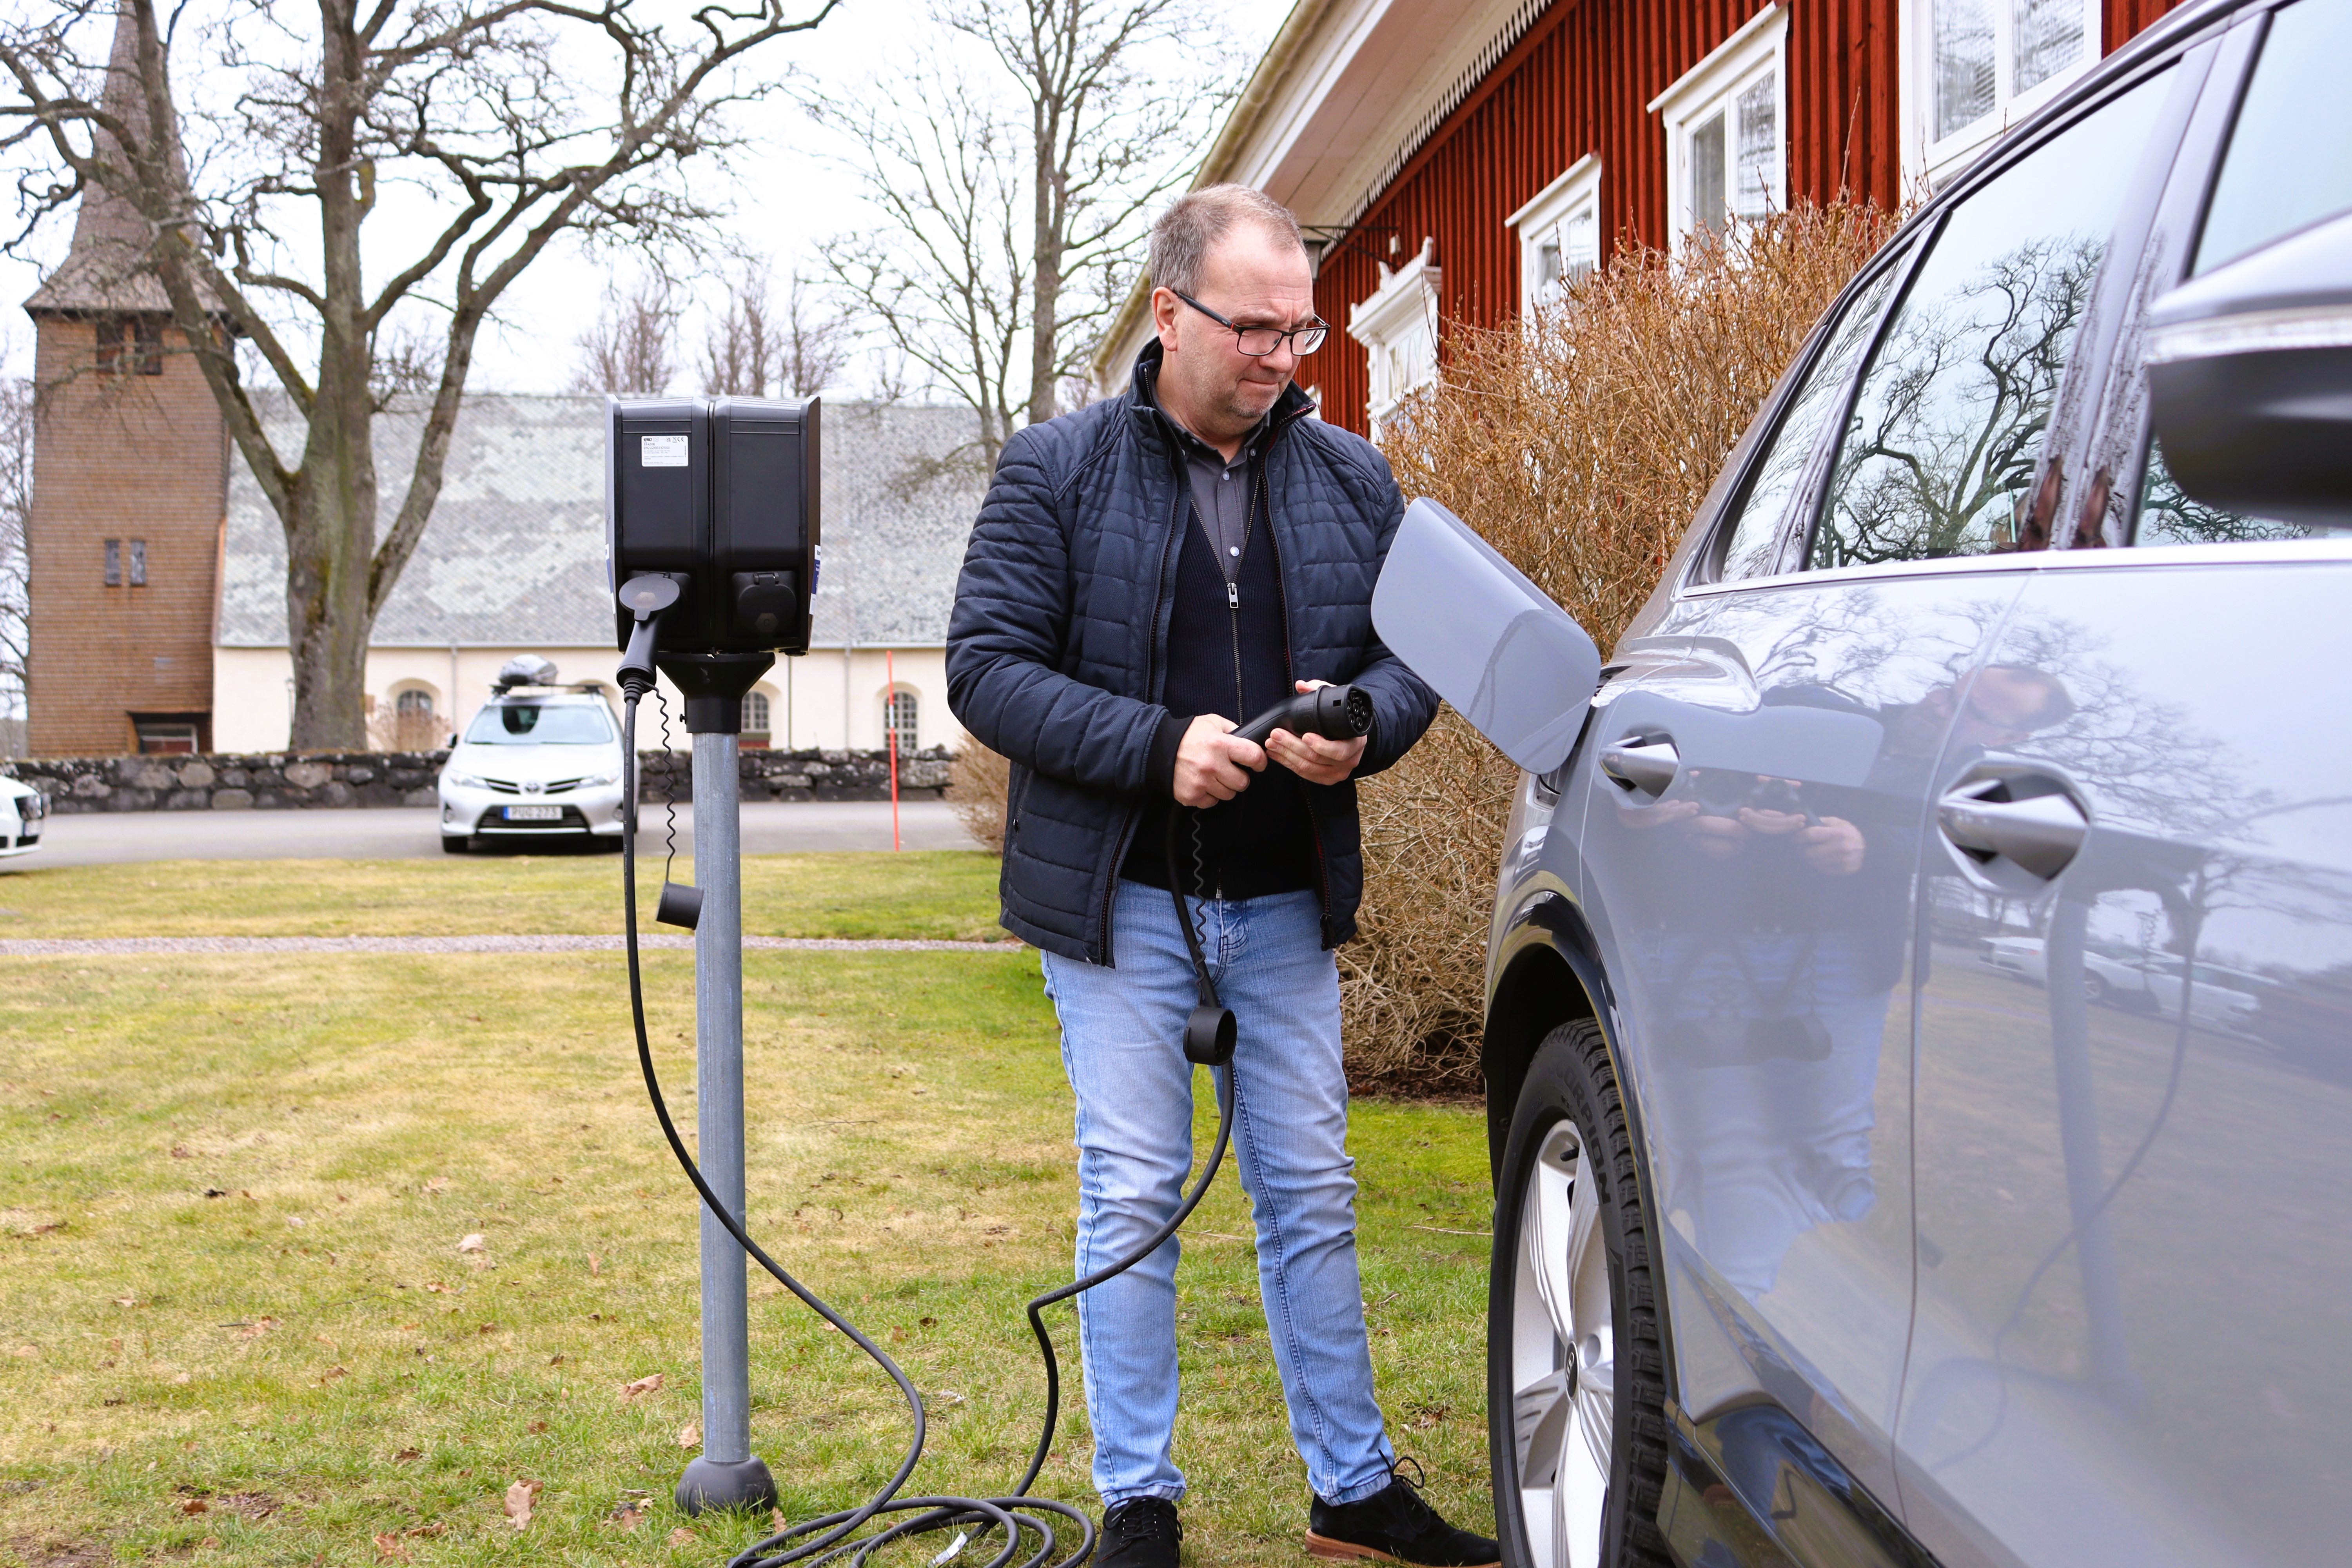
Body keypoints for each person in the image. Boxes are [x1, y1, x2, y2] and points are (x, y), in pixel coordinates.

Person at [947, 186, 1491, 1568]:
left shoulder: (1354, 478)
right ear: (1169, 313)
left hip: (1284, 902)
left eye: (1299, 331)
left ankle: (1352, 1491)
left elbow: (1413, 659)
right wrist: (1156, 749)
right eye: (1253, 328)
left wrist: (1365, 730)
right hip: (1120, 900)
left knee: (1311, 1195)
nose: (1280, 356)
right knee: (1135, 1192)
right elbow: (987, 670)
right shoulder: (1055, 470)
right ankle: (1138, 1503)